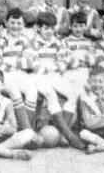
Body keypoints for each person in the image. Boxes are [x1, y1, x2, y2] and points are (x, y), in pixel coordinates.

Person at [31, 12, 86, 149]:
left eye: (51, 28)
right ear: (38, 28)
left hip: (54, 75)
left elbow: (66, 60)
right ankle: (70, 135)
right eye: (45, 28)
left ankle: (62, 133)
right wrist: (53, 66)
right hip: (38, 77)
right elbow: (33, 64)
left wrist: (53, 66)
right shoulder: (33, 43)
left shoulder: (57, 42)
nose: (49, 32)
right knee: (50, 94)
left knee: (73, 94)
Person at [0, 8, 42, 149]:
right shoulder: (1, 39)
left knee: (32, 91)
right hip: (4, 76)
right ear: (6, 22)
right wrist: (19, 63)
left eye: (19, 23)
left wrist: (8, 61)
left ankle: (21, 132)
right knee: (14, 90)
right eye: (12, 22)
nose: (15, 26)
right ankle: (28, 131)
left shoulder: (24, 39)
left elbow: (30, 62)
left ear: (23, 24)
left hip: (20, 74)